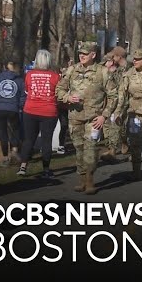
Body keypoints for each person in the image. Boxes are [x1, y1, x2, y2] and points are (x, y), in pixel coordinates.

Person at [56, 41, 118, 194]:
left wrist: (104, 115)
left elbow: (113, 95)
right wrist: (67, 97)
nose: (82, 56)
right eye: (80, 53)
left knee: (90, 149)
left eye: (85, 53)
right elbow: (59, 89)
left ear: (93, 55)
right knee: (78, 149)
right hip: (75, 117)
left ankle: (90, 180)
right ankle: (82, 178)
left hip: (94, 119)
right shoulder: (71, 70)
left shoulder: (103, 72)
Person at [112, 47, 142, 184]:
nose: (134, 61)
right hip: (135, 116)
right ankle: (136, 172)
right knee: (135, 145)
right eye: (133, 58)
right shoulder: (128, 75)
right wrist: (118, 112)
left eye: (138, 59)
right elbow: (122, 95)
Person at [16, 49, 60, 179]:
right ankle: (46, 169)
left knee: (29, 139)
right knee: (47, 141)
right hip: (49, 111)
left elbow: (27, 91)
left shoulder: (29, 75)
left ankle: (23, 167)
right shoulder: (55, 76)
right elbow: (58, 94)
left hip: (30, 110)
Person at [0, 61, 25, 166]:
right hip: (13, 108)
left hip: (0, 108)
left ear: (4, 67)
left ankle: (5, 157)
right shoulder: (19, 80)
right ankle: (14, 151)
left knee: (3, 132)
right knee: (15, 130)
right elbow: (23, 95)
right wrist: (19, 106)